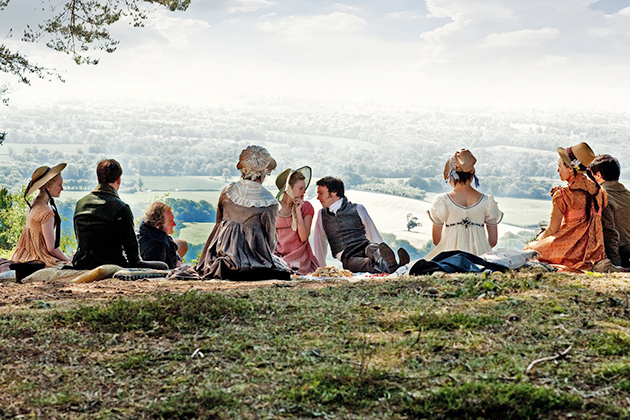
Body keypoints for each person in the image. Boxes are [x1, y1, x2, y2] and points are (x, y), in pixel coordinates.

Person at [176, 145, 291, 280]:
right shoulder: (268, 202)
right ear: (264, 172)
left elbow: (218, 226)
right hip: (252, 261)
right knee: (282, 270)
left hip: (220, 255)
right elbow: (270, 240)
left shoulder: (228, 192)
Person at [72, 159, 168, 270]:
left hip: (83, 262)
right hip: (111, 263)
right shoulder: (121, 208)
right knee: (163, 266)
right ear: (119, 179)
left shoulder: (81, 203)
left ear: (98, 178)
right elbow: (133, 256)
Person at [525, 142, 606, 271]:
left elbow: (552, 229)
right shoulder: (600, 192)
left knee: (528, 251)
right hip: (594, 252)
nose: (558, 170)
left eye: (560, 166)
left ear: (570, 168)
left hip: (568, 249)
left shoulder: (563, 194)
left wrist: (538, 240)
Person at [312, 176, 409, 274]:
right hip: (348, 256)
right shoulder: (322, 215)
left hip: (364, 245)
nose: (318, 197)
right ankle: (396, 267)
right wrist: (321, 268)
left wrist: (381, 247)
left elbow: (372, 232)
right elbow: (320, 242)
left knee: (375, 250)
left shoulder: (358, 208)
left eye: (321, 193)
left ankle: (388, 262)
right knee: (365, 264)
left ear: (334, 193)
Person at [424, 149, 503, 261]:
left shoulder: (442, 201)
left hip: (450, 257)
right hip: (480, 257)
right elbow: (492, 241)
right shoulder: (488, 202)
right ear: (472, 176)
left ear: (451, 176)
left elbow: (437, 241)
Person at [12, 163, 72, 267]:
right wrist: (68, 260)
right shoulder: (46, 212)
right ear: (48, 186)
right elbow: (51, 248)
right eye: (59, 185)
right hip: (38, 257)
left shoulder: (34, 202)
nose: (62, 188)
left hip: (23, 254)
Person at [274, 166, 320, 275]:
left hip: (300, 261)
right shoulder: (273, 208)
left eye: (304, 188)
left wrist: (298, 212)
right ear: (289, 188)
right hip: (279, 258)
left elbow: (304, 237)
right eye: (300, 188)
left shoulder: (307, 207)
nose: (304, 192)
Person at [588, 154, 630, 267]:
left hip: (621, 254)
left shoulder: (604, 197)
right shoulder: (627, 195)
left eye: (591, 175)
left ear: (598, 175)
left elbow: (609, 233)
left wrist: (616, 265)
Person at [138, 201, 188, 269]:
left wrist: (177, 259)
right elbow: (160, 272)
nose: (174, 224)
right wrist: (177, 266)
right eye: (170, 221)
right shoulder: (157, 247)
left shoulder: (152, 234)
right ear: (157, 224)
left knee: (182, 244)